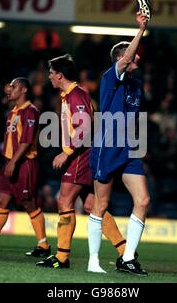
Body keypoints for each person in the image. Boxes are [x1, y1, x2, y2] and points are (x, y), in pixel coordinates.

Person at [36, 54, 128, 269]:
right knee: (91, 205)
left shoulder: (76, 95)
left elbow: (85, 129)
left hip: (80, 155)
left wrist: (66, 152)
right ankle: (125, 252)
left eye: (51, 73)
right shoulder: (70, 95)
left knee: (64, 202)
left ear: (60, 75)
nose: (48, 77)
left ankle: (61, 257)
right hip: (84, 153)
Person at [88, 11, 151, 276]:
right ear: (120, 58)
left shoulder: (137, 86)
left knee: (143, 200)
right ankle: (93, 260)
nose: (136, 56)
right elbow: (127, 58)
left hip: (129, 148)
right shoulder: (110, 77)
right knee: (101, 205)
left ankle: (126, 259)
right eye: (130, 54)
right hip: (107, 146)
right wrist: (142, 28)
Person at [0, 78, 51, 256]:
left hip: (24, 164)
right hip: (10, 163)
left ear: (24, 90)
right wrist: (8, 162)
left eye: (13, 87)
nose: (9, 89)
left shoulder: (30, 111)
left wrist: (13, 162)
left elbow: (27, 141)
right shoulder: (12, 112)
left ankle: (43, 246)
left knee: (30, 204)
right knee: (1, 200)